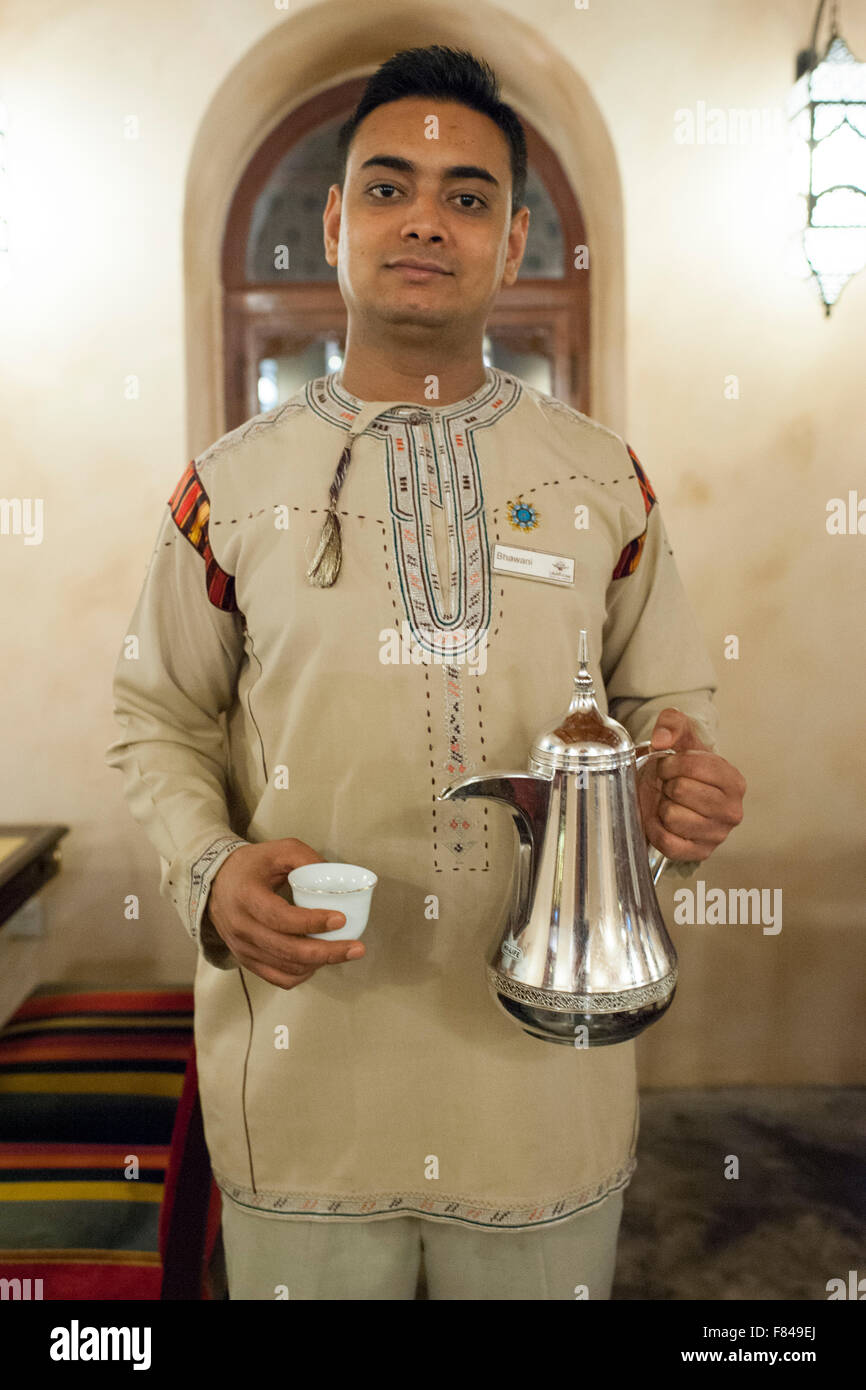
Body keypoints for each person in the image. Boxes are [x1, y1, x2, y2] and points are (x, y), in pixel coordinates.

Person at [105, 44, 746, 1301]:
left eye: (467, 198)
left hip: (541, 1072)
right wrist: (210, 870)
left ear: (511, 246)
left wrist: (680, 790)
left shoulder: (600, 481)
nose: (425, 221)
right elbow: (157, 717)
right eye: (390, 187)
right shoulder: (226, 491)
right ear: (337, 224)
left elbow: (667, 707)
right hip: (302, 1069)